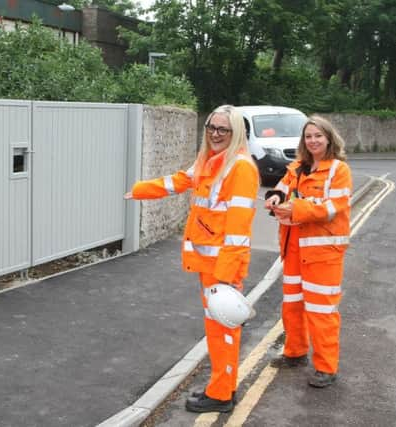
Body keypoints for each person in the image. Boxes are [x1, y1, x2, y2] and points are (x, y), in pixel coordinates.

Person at [124, 105, 259, 413]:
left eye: (223, 129)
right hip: (210, 268)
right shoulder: (210, 162)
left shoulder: (239, 168)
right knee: (217, 331)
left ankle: (222, 395)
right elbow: (178, 181)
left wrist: (226, 277)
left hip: (222, 270)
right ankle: (222, 387)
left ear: (235, 132)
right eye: (211, 127)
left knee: (223, 332)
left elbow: (239, 230)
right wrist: (140, 190)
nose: (215, 133)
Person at [264, 115, 352, 388]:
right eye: (308, 136)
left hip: (323, 252)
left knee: (321, 311)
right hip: (293, 248)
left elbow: (330, 208)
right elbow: (280, 188)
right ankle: (295, 352)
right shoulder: (297, 167)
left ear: (329, 139)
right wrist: (275, 198)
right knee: (292, 305)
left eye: (318, 136)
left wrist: (295, 208)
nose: (313, 141)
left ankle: (326, 367)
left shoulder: (339, 170)